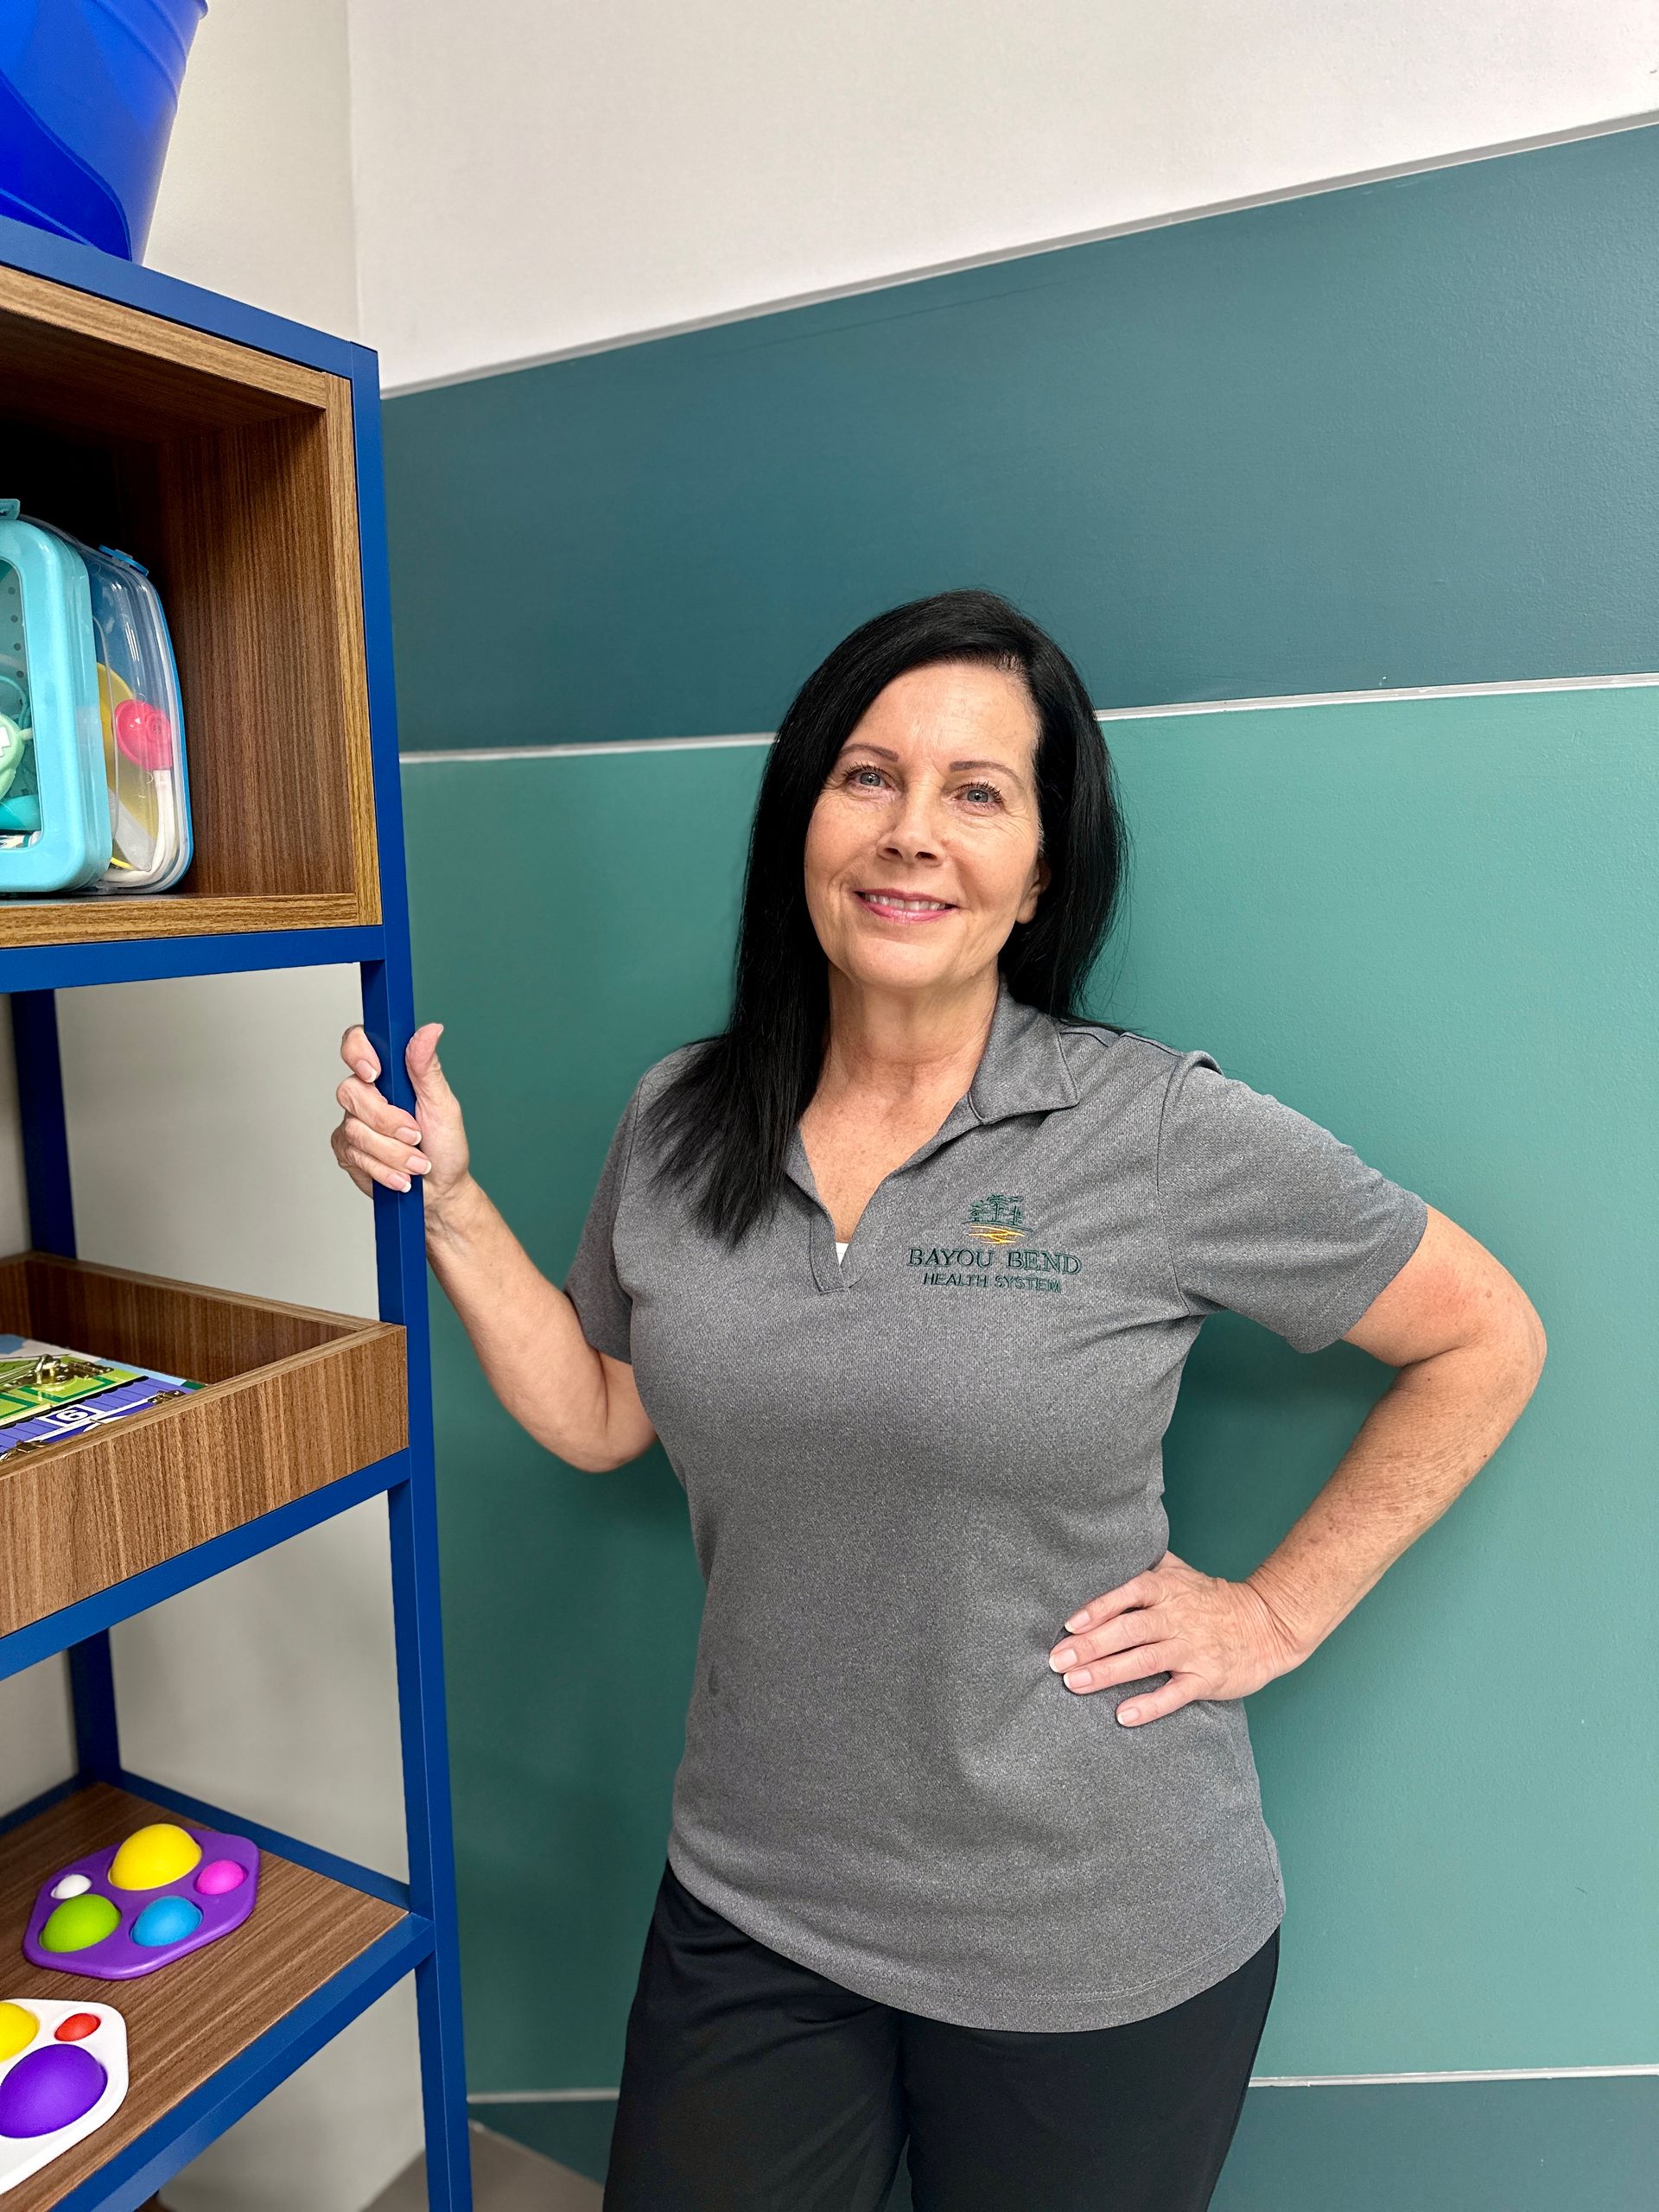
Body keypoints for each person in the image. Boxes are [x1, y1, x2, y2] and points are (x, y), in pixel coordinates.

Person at [330, 590, 1545, 2211]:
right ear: (802, 823)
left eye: (978, 793)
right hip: (756, 1900)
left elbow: (1486, 1335)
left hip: (1096, 1936)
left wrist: (1278, 1611)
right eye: (867, 778)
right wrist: (456, 1208)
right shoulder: (681, 1116)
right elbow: (609, 1413)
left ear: (1041, 871)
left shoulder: (1157, 1132)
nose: (913, 835)